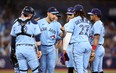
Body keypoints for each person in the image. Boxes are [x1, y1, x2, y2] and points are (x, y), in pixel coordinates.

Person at [10, 6, 41, 73]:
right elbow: (38, 38)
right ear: (30, 14)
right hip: (29, 49)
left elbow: (12, 40)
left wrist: (13, 51)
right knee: (36, 70)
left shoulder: (15, 22)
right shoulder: (34, 23)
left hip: (19, 50)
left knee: (23, 71)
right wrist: (39, 50)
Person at [63, 4, 92, 73]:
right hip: (87, 45)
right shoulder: (88, 21)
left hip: (77, 45)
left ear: (75, 12)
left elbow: (68, 36)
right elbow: (90, 36)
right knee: (84, 68)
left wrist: (64, 48)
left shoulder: (72, 21)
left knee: (78, 69)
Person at [37, 7, 65, 73]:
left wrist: (64, 32)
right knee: (42, 68)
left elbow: (61, 36)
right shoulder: (39, 22)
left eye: (55, 14)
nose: (54, 16)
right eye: (53, 14)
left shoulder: (57, 24)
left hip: (52, 47)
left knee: (51, 68)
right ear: (48, 13)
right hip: (42, 47)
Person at [88, 8, 105, 73]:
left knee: (94, 70)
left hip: (96, 48)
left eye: (92, 15)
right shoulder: (100, 23)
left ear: (96, 15)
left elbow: (96, 38)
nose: (90, 16)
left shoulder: (97, 24)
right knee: (99, 70)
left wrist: (93, 50)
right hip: (100, 47)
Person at [64, 7, 75, 73]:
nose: (69, 16)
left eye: (71, 14)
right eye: (68, 14)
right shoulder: (66, 25)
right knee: (70, 67)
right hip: (68, 47)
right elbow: (65, 38)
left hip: (76, 45)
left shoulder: (77, 24)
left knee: (78, 67)